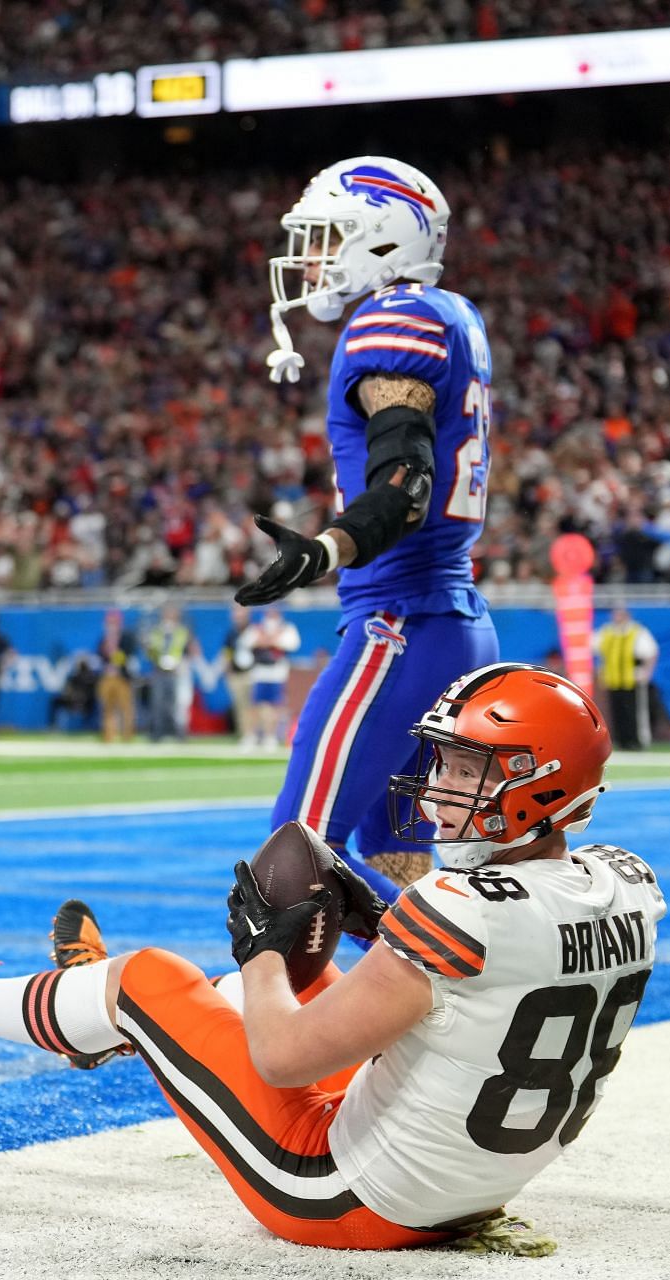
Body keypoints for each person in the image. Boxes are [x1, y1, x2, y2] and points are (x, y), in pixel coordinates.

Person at [0, 664, 658, 1254]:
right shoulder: (626, 884)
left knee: (156, 978)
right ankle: (108, 1016)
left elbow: (284, 1057)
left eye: (465, 768)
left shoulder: (461, 913)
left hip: (344, 1196)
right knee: (312, 974)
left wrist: (258, 949)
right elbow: (482, 986)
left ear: (536, 782)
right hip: (468, 1178)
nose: (437, 789)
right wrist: (380, 922)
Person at [238, 157, 499, 896]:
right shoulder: (453, 314)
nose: (314, 258)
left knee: (289, 867)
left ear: (381, 239)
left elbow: (404, 482)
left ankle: (297, 1015)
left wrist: (326, 548)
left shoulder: (396, 316)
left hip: (400, 623)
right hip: (450, 623)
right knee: (398, 862)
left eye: (330, 237)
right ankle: (439, 1003)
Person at [593, 605, 657, 750]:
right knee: (617, 712)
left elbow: (651, 652)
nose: (617, 618)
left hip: (631, 679)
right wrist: (601, 671)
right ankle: (621, 741)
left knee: (634, 712)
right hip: (613, 679)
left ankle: (636, 741)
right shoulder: (607, 632)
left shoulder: (637, 632)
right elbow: (595, 649)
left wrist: (646, 672)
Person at [240, 606, 300, 749]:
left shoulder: (286, 628)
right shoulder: (257, 627)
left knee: (275, 706)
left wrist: (270, 640)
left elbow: (291, 644)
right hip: (259, 671)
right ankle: (250, 735)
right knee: (254, 705)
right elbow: (247, 642)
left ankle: (270, 736)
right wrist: (266, 640)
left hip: (277, 672)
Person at [143, 604, 193, 741]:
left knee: (177, 705)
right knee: (158, 703)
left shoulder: (181, 631)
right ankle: (157, 733)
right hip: (159, 670)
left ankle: (179, 734)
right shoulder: (157, 631)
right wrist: (148, 647)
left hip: (175, 671)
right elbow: (151, 652)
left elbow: (186, 650)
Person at [95, 609, 138, 744]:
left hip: (122, 676)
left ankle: (127, 736)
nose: (111, 624)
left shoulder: (127, 637)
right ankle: (109, 735)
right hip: (108, 676)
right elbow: (100, 656)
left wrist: (115, 654)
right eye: (109, 622)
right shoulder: (104, 638)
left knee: (126, 707)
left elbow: (128, 655)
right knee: (107, 707)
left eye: (114, 621)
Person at [219, 604, 255, 747]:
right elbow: (226, 653)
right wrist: (228, 672)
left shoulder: (254, 630)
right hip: (236, 674)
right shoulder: (231, 633)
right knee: (240, 706)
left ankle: (256, 733)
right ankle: (246, 734)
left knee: (254, 706)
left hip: (252, 673)